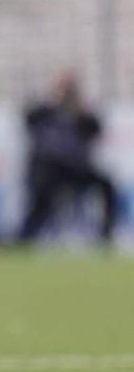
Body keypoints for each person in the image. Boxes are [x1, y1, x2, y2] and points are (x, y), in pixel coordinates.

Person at [18, 72, 117, 244]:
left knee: (106, 185)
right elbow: (28, 118)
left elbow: (95, 130)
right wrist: (53, 99)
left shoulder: (80, 114)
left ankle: (105, 234)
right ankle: (27, 237)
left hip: (74, 168)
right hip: (48, 167)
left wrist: (80, 108)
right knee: (41, 194)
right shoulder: (45, 112)